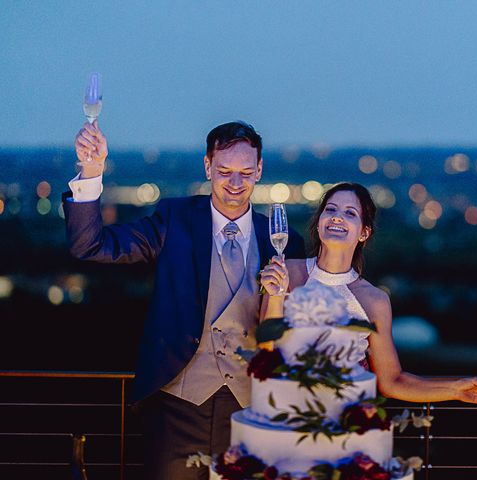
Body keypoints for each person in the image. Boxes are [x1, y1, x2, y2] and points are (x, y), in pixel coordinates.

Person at [64, 120, 306, 480]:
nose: (236, 184)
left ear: (259, 169)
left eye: (245, 172)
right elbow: (91, 246)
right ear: (207, 166)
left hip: (253, 409)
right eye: (224, 171)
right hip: (176, 406)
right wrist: (92, 170)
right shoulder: (174, 219)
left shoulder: (283, 240)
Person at [260, 182, 477, 405]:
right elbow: (265, 348)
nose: (337, 217)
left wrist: (453, 389)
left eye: (350, 213)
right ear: (319, 221)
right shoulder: (286, 271)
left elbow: (391, 382)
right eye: (331, 209)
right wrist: (275, 295)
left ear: (364, 233)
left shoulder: (374, 301)